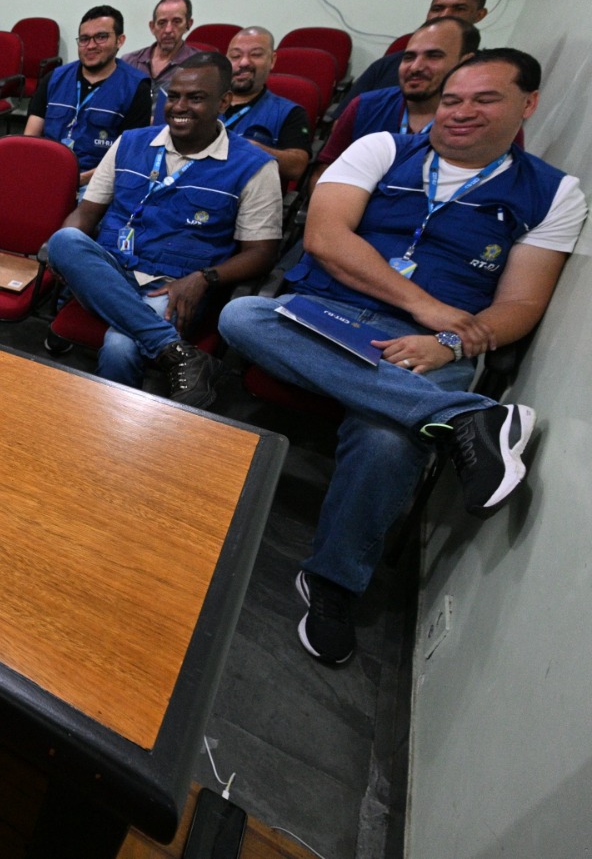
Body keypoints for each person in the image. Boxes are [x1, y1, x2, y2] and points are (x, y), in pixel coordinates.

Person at [219, 49, 586, 665]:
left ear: (528, 106)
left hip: (438, 347)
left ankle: (334, 583)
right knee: (243, 315)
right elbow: (326, 239)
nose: (462, 112)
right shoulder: (384, 149)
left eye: (485, 99)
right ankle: (468, 419)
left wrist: (445, 340)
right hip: (326, 315)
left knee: (390, 439)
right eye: (452, 99)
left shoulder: (553, 193)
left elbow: (521, 303)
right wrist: (425, 307)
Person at [45, 54, 282, 407]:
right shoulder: (130, 143)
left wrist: (204, 278)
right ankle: (179, 354)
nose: (180, 107)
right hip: (111, 270)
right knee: (63, 240)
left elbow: (262, 253)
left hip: (175, 286)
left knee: (121, 345)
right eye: (173, 96)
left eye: (196, 98)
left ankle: (115, 429)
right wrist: (68, 263)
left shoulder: (254, 166)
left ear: (223, 102)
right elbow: (85, 213)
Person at [315, 16, 480, 177]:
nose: (415, 67)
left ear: (464, 64)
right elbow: (324, 173)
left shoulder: (476, 122)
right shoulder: (366, 107)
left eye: (433, 56)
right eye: (409, 57)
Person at [24, 5, 153, 182]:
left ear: (119, 40)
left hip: (98, 181)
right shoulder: (54, 78)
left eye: (101, 37)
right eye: (84, 39)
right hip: (46, 170)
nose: (91, 46)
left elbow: (128, 155)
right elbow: (29, 138)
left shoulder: (136, 88)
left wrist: (78, 180)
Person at [341, 0, 489, 107]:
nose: (445, 15)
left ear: (479, 15)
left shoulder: (486, 74)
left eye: (459, 8)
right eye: (437, 9)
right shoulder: (387, 65)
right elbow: (343, 122)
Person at [222, 26, 313, 184]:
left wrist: (253, 150)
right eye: (235, 56)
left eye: (255, 54)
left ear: (272, 60)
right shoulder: (202, 103)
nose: (243, 62)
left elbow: (297, 167)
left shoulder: (289, 112)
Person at [121, 0, 202, 96]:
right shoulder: (129, 62)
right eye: (162, 23)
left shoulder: (200, 64)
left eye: (176, 22)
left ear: (188, 24)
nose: (168, 30)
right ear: (152, 27)